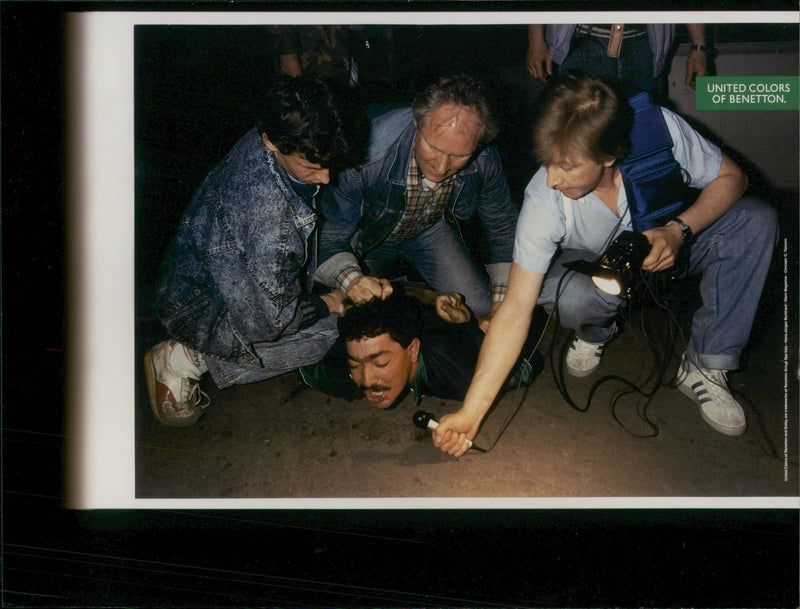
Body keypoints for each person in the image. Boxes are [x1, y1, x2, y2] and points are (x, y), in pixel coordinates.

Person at [433, 74, 778, 456]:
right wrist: (471, 411)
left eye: (566, 165)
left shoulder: (658, 130)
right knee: (571, 297)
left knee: (755, 221)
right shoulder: (543, 199)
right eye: (546, 161)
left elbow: (733, 177)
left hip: (667, 242)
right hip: (591, 266)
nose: (551, 178)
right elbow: (515, 309)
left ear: (609, 155)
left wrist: (680, 230)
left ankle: (706, 364)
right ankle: (594, 332)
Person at [144, 75, 370, 427]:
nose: (326, 178)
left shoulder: (277, 131)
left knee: (339, 250)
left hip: (193, 275)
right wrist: (330, 303)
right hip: (198, 306)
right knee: (327, 335)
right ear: (271, 142)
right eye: (313, 168)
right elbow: (268, 323)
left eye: (328, 164)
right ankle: (185, 358)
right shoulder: (270, 223)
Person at [313, 74, 520, 319]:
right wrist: (353, 279)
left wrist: (500, 308)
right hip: (365, 239)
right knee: (356, 316)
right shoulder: (364, 156)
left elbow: (503, 228)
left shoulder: (485, 159)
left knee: (479, 306)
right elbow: (329, 237)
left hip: (429, 229)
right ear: (416, 121)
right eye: (433, 147)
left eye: (459, 155)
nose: (442, 167)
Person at [298, 286, 543, 409]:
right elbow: (308, 366)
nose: (366, 379)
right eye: (355, 364)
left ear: (413, 350)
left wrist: (473, 326)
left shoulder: (458, 375)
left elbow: (530, 364)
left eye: (381, 363)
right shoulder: (343, 371)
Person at [525, 24, 709, 93]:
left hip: (644, 49)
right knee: (576, 140)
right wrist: (535, 36)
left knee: (645, 138)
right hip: (584, 45)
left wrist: (699, 46)